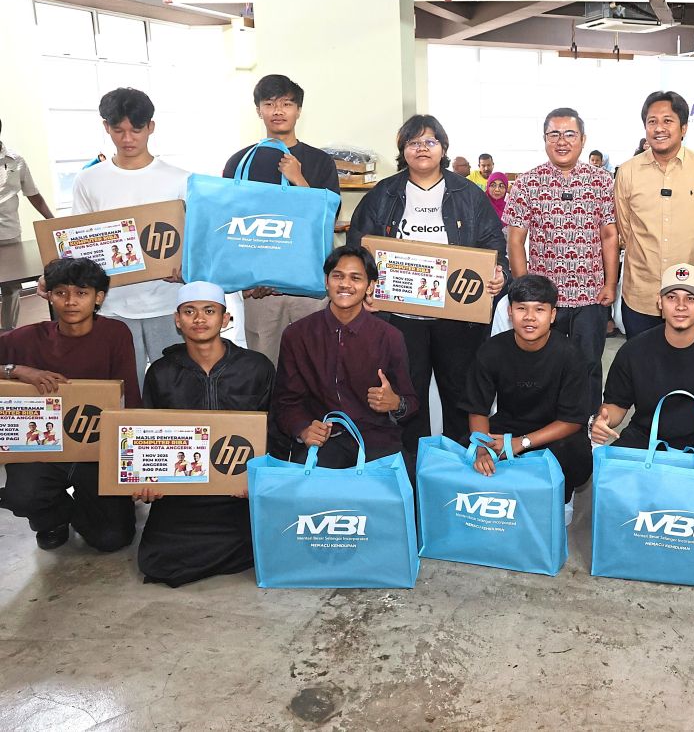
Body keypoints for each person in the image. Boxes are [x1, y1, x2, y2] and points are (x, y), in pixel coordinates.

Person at [348, 114, 508, 448]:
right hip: (399, 318)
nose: (422, 148)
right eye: (413, 142)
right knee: (407, 397)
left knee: (460, 395)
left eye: (430, 141)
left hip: (458, 319)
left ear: (443, 148)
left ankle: (457, 462)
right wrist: (366, 287)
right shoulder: (384, 194)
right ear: (403, 150)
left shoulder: (468, 194)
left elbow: (494, 244)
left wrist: (499, 273)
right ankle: (412, 465)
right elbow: (358, 246)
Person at [132, 280, 275, 587]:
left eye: (209, 311)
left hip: (238, 492)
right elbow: (147, 435)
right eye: (189, 311)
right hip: (182, 492)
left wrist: (258, 479)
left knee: (270, 543)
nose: (199, 319)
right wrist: (148, 480)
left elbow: (274, 431)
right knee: (155, 561)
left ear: (225, 319)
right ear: (177, 320)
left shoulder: (256, 367)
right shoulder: (160, 372)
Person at [0, 258, 141, 551]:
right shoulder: (27, 338)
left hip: (96, 450)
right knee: (22, 494)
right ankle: (52, 517)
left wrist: (131, 466)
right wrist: (17, 370)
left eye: (81, 293)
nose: (70, 301)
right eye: (61, 292)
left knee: (111, 539)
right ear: (49, 296)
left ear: (98, 297)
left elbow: (129, 399)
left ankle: (84, 507)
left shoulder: (115, 334)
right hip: (42, 450)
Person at [222, 74, 341, 366]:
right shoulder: (239, 162)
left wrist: (298, 179)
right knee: (264, 367)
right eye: (269, 104)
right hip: (260, 290)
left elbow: (326, 220)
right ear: (258, 110)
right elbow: (230, 225)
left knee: (314, 366)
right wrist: (245, 280)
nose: (278, 111)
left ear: (298, 110)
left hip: (308, 286)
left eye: (286, 104)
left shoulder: (320, 161)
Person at [505, 107, 618, 409]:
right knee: (543, 365)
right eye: (554, 134)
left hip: (590, 295)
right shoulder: (527, 182)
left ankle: (587, 423)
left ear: (583, 139)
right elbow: (515, 240)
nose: (562, 141)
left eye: (570, 134)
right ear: (544, 139)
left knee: (588, 365)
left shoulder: (602, 181)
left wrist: (610, 284)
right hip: (544, 298)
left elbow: (610, 235)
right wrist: (524, 291)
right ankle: (544, 424)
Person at [68, 88, 188, 371]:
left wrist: (187, 267)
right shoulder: (88, 180)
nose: (127, 139)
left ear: (151, 127)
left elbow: (193, 240)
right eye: (118, 130)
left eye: (136, 130)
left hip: (167, 300)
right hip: (113, 304)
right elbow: (77, 243)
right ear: (106, 127)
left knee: (174, 384)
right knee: (124, 386)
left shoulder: (180, 179)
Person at [273, 246, 418, 468]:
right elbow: (285, 401)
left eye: (355, 278)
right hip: (324, 440)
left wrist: (396, 403)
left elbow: (411, 402)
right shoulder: (297, 334)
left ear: (370, 286)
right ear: (326, 281)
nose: (345, 284)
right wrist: (303, 429)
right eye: (338, 276)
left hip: (377, 439)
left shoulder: (390, 337)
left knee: (401, 480)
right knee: (309, 483)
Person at [591, 264, 694, 455]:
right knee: (609, 467)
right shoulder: (634, 350)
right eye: (671, 297)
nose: (681, 306)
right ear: (659, 301)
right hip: (645, 438)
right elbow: (616, 404)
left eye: (691, 298)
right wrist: (603, 420)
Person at [464, 275, 592, 520]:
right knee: (465, 446)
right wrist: (482, 448)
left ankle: (562, 497)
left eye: (539, 310)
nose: (530, 317)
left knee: (574, 451)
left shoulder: (570, 354)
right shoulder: (492, 350)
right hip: (509, 425)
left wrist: (521, 443)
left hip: (555, 431)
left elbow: (572, 420)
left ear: (552, 315)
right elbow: (477, 408)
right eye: (521, 308)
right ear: (510, 312)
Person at [613, 91, 694, 339]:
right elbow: (626, 230)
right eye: (652, 121)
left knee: (690, 362)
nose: (659, 128)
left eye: (667, 121)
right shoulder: (628, 172)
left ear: (683, 128)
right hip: (641, 295)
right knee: (641, 361)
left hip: (691, 295)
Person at [1, 120, 55, 329]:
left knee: (11, 287)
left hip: (9, 234)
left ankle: (7, 332)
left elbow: (33, 195)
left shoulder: (16, 161)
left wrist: (52, 222)